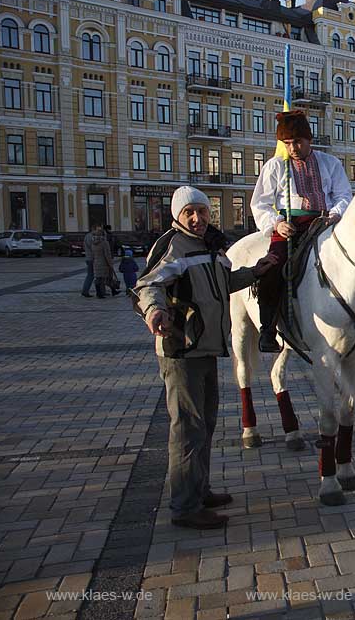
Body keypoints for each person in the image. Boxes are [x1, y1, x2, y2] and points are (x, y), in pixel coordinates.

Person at [133, 187, 274, 529]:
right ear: (177, 216)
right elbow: (147, 285)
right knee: (187, 429)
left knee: (205, 425)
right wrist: (154, 312)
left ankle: (200, 490)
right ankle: (184, 507)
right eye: (189, 213)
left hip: (206, 349)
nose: (197, 219)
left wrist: (256, 271)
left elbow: (223, 282)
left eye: (202, 212)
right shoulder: (172, 246)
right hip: (181, 352)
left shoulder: (209, 245)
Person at [251, 110, 352, 352]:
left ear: (309, 139)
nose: (293, 148)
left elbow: (344, 195)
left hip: (323, 223)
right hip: (289, 227)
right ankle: (267, 329)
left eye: (297, 141)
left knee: (353, 261)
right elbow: (260, 203)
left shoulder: (330, 163)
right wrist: (276, 223)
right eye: (287, 143)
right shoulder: (275, 166)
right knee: (272, 267)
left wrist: (336, 213)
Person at [88, 226, 113, 299]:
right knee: (102, 278)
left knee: (98, 278)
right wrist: (110, 263)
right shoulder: (104, 243)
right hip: (103, 262)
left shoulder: (93, 243)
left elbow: (92, 253)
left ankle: (98, 292)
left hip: (96, 262)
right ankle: (101, 294)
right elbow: (107, 254)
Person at [81, 226, 97, 297]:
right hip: (91, 258)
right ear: (93, 229)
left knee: (91, 275)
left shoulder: (87, 236)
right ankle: (85, 291)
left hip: (89, 258)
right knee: (91, 275)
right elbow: (93, 247)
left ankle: (85, 290)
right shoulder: (90, 237)